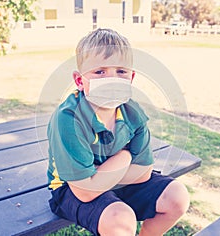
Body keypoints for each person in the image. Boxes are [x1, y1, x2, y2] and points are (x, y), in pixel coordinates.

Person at [47, 28, 190, 236]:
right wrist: (125, 156)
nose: (112, 79)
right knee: (120, 219)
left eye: (121, 71)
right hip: (70, 188)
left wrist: (101, 176)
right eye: (99, 72)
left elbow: (143, 173)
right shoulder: (69, 118)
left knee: (177, 196)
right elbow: (85, 192)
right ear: (80, 81)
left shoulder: (132, 113)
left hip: (105, 180)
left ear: (131, 77)